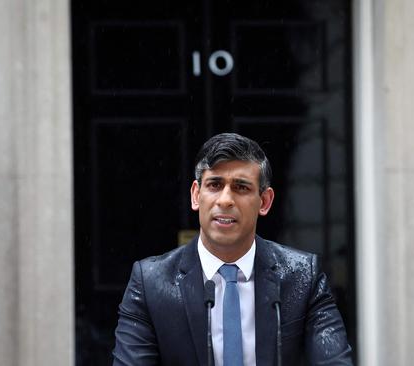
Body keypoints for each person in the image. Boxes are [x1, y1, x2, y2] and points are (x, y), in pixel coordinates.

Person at [112, 133, 353, 365]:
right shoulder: (151, 282)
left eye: (241, 187)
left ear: (265, 202)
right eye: (215, 185)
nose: (225, 200)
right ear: (196, 196)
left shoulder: (302, 276)